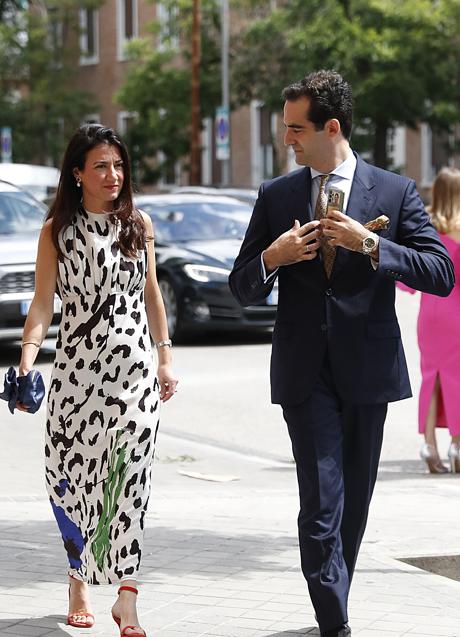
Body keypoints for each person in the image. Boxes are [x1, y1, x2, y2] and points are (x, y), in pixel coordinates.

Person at [229, 70, 454, 637]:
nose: (288, 141)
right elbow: (241, 285)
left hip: (369, 369)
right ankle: (335, 623)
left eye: (296, 129)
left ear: (332, 127)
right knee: (321, 502)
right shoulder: (276, 196)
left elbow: (442, 273)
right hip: (304, 373)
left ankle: (336, 605)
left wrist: (371, 243)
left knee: (353, 504)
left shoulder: (396, 192)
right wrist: (273, 257)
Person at [17, 124, 178, 637]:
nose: (113, 175)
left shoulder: (138, 223)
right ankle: (78, 578)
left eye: (118, 165)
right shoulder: (57, 231)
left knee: (129, 479)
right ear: (77, 173)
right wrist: (26, 360)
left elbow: (152, 296)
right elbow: (43, 304)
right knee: (72, 481)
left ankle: (127, 597)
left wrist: (165, 358)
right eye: (101, 166)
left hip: (133, 377)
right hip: (75, 377)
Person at [398, 167, 460, 474]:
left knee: (431, 377)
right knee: (456, 378)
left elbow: (410, 276)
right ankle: (457, 445)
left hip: (431, 313)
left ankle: (429, 444)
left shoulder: (427, 229)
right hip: (457, 313)